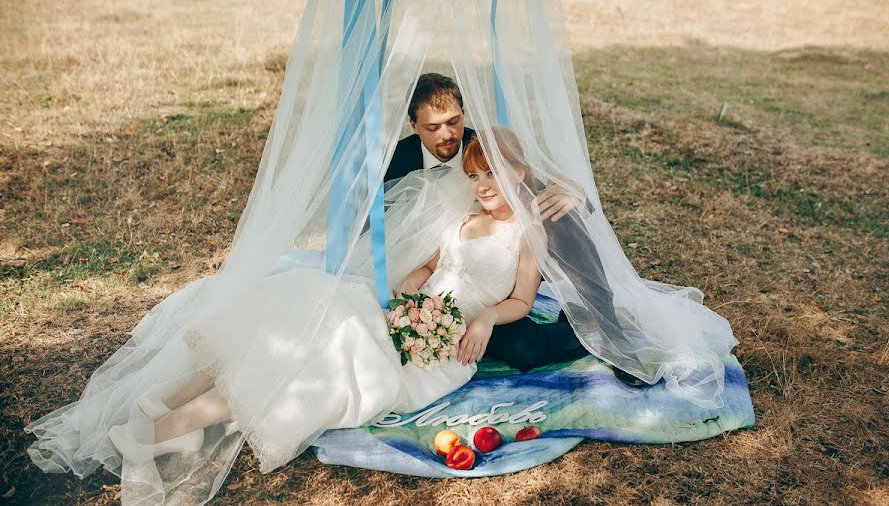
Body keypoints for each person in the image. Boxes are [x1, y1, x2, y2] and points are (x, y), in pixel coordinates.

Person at [55, 132, 543, 485]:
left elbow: (522, 299)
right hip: (408, 315)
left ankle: (165, 428)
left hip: (441, 348)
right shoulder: (465, 216)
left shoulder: (526, 235)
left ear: (516, 172)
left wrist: (484, 317)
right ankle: (172, 406)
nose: (480, 185)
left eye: (491, 174)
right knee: (304, 304)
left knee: (313, 361)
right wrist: (411, 292)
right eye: (474, 174)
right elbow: (428, 267)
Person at [385, 73, 644, 384]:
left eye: (453, 121)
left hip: (507, 257)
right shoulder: (396, 162)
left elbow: (531, 175)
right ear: (413, 126)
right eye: (432, 127)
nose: (447, 134)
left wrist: (573, 191)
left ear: (464, 113)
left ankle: (607, 327)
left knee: (555, 212)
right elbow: (383, 232)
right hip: (443, 262)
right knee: (516, 347)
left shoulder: (483, 145)